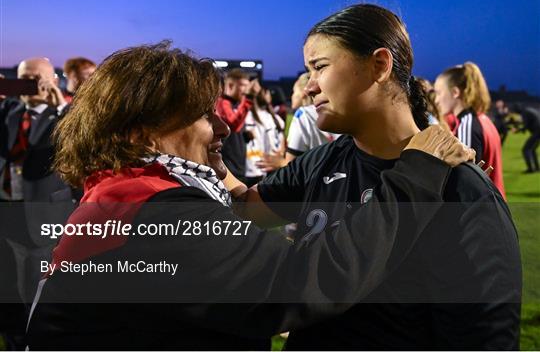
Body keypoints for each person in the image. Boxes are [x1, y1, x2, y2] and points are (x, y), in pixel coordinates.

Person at [26, 41, 473, 350]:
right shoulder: (163, 213)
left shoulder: (127, 189)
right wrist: (417, 175)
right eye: (204, 115)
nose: (222, 128)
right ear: (142, 130)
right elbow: (305, 281)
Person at [223, 4, 521, 350]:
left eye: (320, 67)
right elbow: (246, 207)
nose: (309, 87)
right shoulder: (322, 161)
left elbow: (486, 338)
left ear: (379, 65)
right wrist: (204, 149)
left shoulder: (462, 188)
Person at [0, 57, 70, 349]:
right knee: (8, 289)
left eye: (35, 78)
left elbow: (86, 141)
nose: (30, 84)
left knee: (39, 288)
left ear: (52, 79)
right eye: (24, 78)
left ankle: (40, 341)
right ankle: (15, 340)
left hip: (44, 216)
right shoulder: (10, 109)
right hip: (7, 212)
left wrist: (62, 108)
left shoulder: (67, 115)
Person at [435, 61, 506, 198]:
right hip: (492, 206)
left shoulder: (467, 126)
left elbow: (465, 183)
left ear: (455, 92)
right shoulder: (482, 119)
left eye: (439, 93)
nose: (436, 100)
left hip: (482, 211)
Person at [256, 73, 340, 173]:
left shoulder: (303, 114)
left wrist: (281, 163)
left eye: (294, 92)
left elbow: (292, 167)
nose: (292, 96)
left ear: (303, 93)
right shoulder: (336, 112)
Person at [216, 69, 258, 183]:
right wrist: (248, 99)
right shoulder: (222, 102)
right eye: (243, 86)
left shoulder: (236, 103)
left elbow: (234, 131)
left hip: (238, 164)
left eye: (247, 86)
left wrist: (245, 135)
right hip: (228, 167)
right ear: (230, 85)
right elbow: (232, 124)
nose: (246, 90)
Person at [244, 89, 285, 186]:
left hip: (261, 165)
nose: (268, 95)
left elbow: (280, 138)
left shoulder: (269, 116)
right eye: (265, 92)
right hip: (263, 165)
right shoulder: (268, 116)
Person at [512, 103, 540, 173]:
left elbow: (525, 126)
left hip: (537, 132)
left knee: (525, 149)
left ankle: (530, 169)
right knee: (532, 149)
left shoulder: (525, 113)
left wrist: (517, 130)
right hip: (538, 131)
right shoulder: (528, 110)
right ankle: (537, 168)